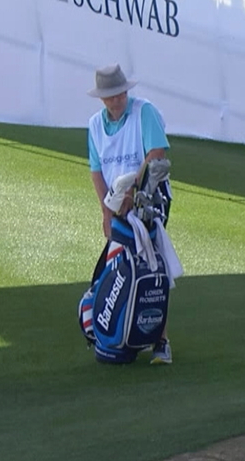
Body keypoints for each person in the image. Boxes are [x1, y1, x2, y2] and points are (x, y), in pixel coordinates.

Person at [86, 63, 174, 364]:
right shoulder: (95, 125)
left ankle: (160, 340)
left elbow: (156, 156)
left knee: (152, 266)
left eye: (120, 93)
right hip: (117, 204)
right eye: (110, 96)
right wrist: (106, 211)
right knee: (121, 266)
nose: (117, 100)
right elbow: (96, 172)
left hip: (150, 199)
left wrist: (133, 191)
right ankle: (127, 331)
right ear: (102, 99)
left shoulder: (143, 112)